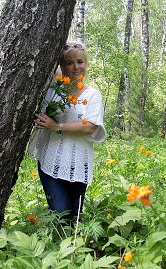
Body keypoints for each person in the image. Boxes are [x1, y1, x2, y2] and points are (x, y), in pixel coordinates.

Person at [29, 40, 106, 220]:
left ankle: (73, 247)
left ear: (86, 64)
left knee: (75, 218)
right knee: (60, 215)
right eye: (69, 63)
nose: (76, 67)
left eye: (80, 62)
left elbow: (90, 126)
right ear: (61, 66)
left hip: (79, 164)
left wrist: (57, 127)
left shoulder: (93, 95)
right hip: (50, 161)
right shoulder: (52, 90)